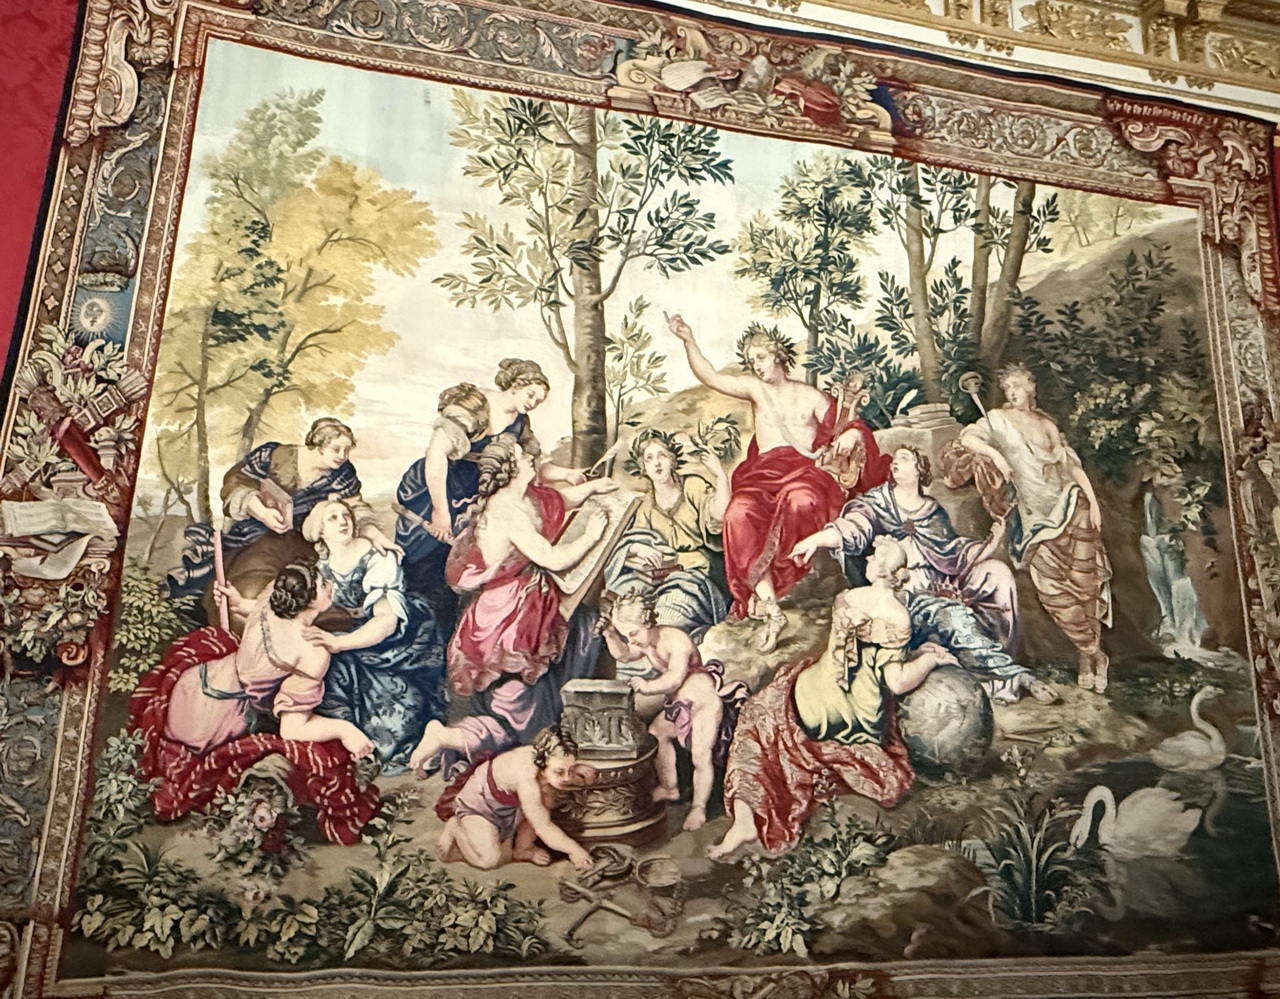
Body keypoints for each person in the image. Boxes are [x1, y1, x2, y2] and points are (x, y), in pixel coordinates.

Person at [708, 538, 957, 860]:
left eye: (875, 556)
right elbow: (891, 675)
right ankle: (746, 822)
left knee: (756, 713)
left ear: (883, 569)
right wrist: (926, 659)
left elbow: (890, 679)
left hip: (820, 699)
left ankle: (744, 820)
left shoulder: (851, 598)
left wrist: (925, 660)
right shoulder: (896, 615)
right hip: (858, 712)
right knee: (767, 711)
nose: (869, 558)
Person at [667, 315, 889, 652]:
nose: (756, 365)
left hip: (803, 473)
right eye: (751, 360)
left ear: (778, 355)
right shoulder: (755, 390)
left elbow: (846, 426)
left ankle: (792, 577)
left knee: (802, 501)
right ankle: (771, 607)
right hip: (761, 476)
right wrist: (688, 340)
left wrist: (854, 434)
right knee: (738, 513)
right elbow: (710, 376)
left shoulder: (811, 396)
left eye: (761, 357)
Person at [406, 435, 615, 774]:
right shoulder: (506, 511)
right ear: (509, 469)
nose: (532, 458)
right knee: (523, 713)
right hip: (509, 616)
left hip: (528, 601)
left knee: (584, 628)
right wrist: (592, 535)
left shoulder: (523, 495)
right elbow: (553, 558)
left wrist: (593, 488)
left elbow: (557, 500)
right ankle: (465, 739)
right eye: (522, 456)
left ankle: (543, 731)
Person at [790, 446, 1054, 705]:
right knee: (948, 618)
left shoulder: (933, 511)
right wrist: (816, 540)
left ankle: (1003, 677)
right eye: (894, 459)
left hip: (940, 581)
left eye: (904, 459)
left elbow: (952, 553)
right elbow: (853, 528)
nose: (895, 463)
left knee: (997, 573)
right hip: (901, 589)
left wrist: (991, 544)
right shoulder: (877, 503)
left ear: (919, 470)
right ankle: (998, 674)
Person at [953, 364, 1113, 692]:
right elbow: (967, 437)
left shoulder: (1046, 425)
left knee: (1085, 584)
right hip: (1034, 517)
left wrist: (1094, 503)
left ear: (1031, 387)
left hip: (1070, 506)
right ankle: (1093, 650)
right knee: (1052, 590)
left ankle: (1087, 657)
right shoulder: (997, 420)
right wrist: (996, 455)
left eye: (1017, 385)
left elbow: (1070, 467)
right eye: (1007, 387)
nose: (1012, 392)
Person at [394, 362, 586, 625]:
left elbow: (531, 462)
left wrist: (566, 475)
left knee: (459, 561)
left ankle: (445, 628)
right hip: (436, 488)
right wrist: (440, 511)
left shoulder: (519, 421)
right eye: (530, 394)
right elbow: (436, 455)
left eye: (539, 401)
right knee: (426, 558)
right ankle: (414, 624)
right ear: (514, 386)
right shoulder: (472, 406)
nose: (533, 403)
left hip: (476, 491)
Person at [168, 417, 396, 615]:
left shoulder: (342, 474)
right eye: (336, 449)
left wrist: (374, 534)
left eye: (347, 451)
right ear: (318, 443)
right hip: (257, 536)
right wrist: (262, 512)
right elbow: (236, 482)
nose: (342, 456)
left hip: (305, 544)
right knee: (247, 584)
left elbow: (356, 507)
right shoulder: (273, 455)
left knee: (313, 594)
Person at [299, 497, 449, 773]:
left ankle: (414, 738)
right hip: (358, 633)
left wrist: (340, 642)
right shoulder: (322, 567)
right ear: (320, 531)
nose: (343, 521)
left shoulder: (378, 556)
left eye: (346, 515)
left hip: (400, 639)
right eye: (333, 518)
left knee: (394, 716)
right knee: (332, 671)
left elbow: (386, 621)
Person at [601, 590, 748, 831]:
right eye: (626, 635)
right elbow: (625, 655)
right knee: (657, 732)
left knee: (701, 756)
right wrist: (609, 634)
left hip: (703, 703)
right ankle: (670, 787)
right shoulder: (645, 642)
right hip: (679, 704)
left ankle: (699, 808)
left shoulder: (675, 640)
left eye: (633, 633)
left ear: (647, 623)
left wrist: (648, 687)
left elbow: (673, 679)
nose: (631, 640)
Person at [603, 429, 730, 641]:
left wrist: (721, 477)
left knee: (668, 616)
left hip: (700, 573)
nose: (657, 463)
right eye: (649, 459)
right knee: (626, 604)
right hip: (662, 577)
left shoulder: (692, 486)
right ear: (643, 467)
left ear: (672, 460)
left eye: (661, 456)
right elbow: (635, 538)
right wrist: (637, 548)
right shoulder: (645, 505)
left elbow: (721, 516)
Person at [435, 726, 597, 871]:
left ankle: (523, 849)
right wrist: (575, 851)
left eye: (571, 770)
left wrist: (574, 767)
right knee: (489, 860)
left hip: (509, 805)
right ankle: (456, 827)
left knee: (544, 801)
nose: (567, 778)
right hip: (481, 802)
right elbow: (543, 826)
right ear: (542, 764)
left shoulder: (548, 755)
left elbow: (560, 763)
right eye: (560, 772)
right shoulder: (526, 776)